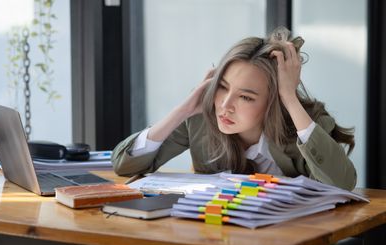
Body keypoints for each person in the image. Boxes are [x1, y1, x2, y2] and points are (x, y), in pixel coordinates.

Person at [111, 26, 356, 191]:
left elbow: (343, 183)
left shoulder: (305, 124)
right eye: (223, 87)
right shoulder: (199, 120)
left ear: (274, 101)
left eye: (246, 97)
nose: (225, 106)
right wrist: (183, 110)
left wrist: (289, 98)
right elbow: (124, 165)